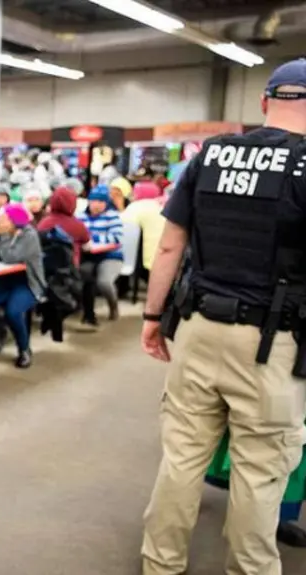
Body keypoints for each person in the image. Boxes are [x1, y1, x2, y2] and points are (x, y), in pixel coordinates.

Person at [139, 58, 306, 575]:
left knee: (182, 457)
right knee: (260, 472)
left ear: (264, 103)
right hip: (274, 344)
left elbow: (170, 246)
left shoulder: (211, 154)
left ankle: (159, 564)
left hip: (196, 329)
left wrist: (151, 316)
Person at [0, 203, 46, 368]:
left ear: (14, 220)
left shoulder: (29, 235)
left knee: (13, 312)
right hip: (4, 280)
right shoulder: (2, 232)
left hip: (27, 283)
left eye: (3, 218)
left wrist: (2, 235)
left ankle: (24, 349)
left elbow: (9, 257)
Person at [78, 185, 124, 325]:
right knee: (83, 275)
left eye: (101, 202)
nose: (97, 205)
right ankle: (88, 313)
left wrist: (93, 239)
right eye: (94, 201)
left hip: (111, 256)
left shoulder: (113, 216)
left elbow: (117, 238)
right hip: (89, 255)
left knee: (104, 282)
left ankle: (113, 306)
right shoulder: (81, 216)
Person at [37, 187, 91, 267]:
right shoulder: (77, 225)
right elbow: (87, 247)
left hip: (47, 268)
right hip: (71, 270)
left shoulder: (43, 223)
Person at [121, 180, 167, 272]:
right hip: (163, 257)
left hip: (141, 260)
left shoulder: (136, 207)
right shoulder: (161, 206)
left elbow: (123, 225)